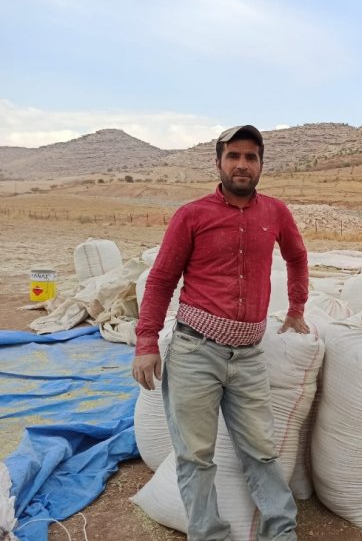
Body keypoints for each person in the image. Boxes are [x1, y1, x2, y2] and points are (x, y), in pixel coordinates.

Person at [132, 125, 308, 541]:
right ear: (219, 163)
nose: (242, 164)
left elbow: (298, 257)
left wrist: (297, 306)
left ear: (261, 165)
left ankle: (281, 533)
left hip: (248, 356)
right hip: (195, 351)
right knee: (195, 456)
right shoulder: (192, 215)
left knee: (262, 452)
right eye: (234, 156)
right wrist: (146, 342)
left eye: (251, 157)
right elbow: (160, 280)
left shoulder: (276, 212)